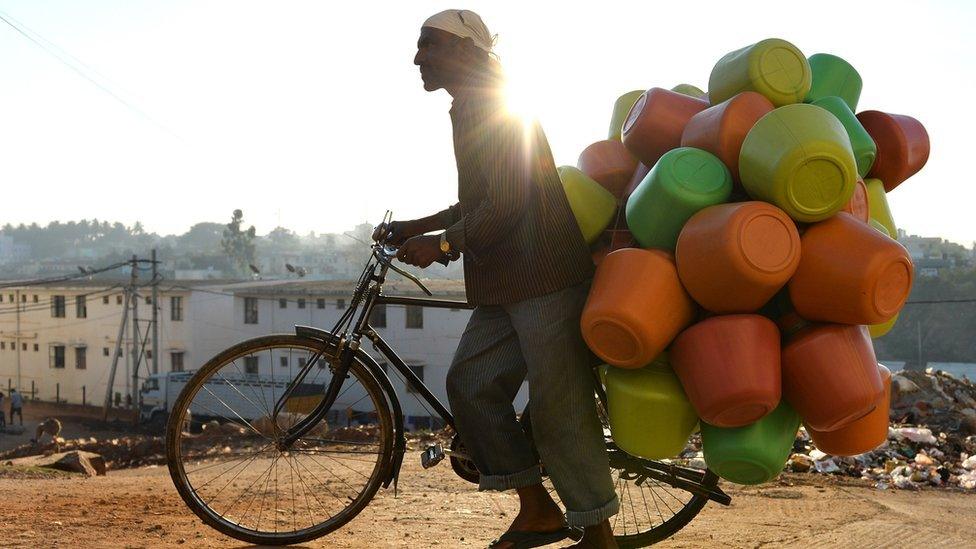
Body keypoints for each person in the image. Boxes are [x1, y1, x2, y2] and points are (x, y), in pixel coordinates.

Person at [376, 10, 619, 548]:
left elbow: (510, 201)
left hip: (545, 279)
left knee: (560, 413)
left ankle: (598, 533)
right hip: (506, 283)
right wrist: (422, 224)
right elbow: (485, 198)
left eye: (428, 45)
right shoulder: (470, 107)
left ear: (464, 51)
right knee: (470, 385)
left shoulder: (497, 106)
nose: (418, 58)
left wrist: (443, 243)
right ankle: (537, 511)